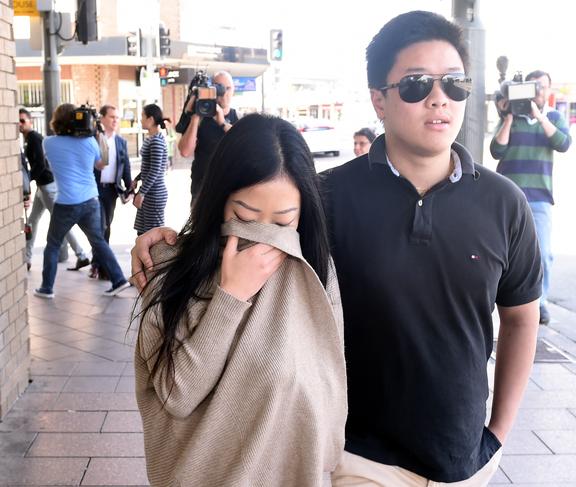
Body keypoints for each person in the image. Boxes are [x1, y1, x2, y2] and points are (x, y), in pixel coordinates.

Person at [132, 11, 542, 486]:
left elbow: (520, 317)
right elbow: (245, 230)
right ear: (379, 100)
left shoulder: (505, 203)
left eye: (454, 84)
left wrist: (497, 434)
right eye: (415, 84)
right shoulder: (323, 200)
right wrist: (163, 245)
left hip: (466, 461)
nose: (438, 99)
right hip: (358, 461)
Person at [133, 113, 346, 486]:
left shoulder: (312, 271)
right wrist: (230, 296)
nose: (264, 236)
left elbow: (326, 383)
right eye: (244, 216)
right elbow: (177, 395)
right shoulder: (170, 266)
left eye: (282, 223)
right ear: (219, 200)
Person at [490, 70, 572, 325]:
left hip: (539, 196)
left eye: (542, 87)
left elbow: (563, 143)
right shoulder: (510, 118)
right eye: (533, 86)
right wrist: (509, 116)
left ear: (547, 90)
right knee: (501, 252)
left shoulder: (554, 117)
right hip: (507, 195)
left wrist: (537, 113)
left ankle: (541, 302)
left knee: (543, 252)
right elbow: (496, 150)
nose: (538, 91)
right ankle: (502, 298)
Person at [33, 103, 130, 299]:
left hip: (66, 203)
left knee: (52, 244)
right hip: (90, 201)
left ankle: (47, 288)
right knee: (98, 242)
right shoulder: (90, 142)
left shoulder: (48, 143)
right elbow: (102, 165)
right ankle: (119, 280)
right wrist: (99, 136)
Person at [20, 108, 90, 272]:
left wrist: (27, 182)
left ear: (30, 121)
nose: (19, 124)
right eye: (18, 121)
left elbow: (40, 165)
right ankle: (27, 259)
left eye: (23, 120)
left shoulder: (34, 138)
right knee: (32, 221)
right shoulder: (28, 138)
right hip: (42, 187)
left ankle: (82, 255)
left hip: (48, 187)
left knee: (61, 223)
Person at [176, 70, 239, 201]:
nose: (224, 93)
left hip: (230, 189)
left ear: (233, 90)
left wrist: (222, 123)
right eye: (219, 88)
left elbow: (244, 143)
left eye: (228, 88)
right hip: (202, 189)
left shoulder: (238, 118)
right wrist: (195, 118)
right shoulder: (200, 117)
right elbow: (185, 151)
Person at [89, 104, 133, 279]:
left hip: (111, 191)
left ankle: (97, 263)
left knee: (106, 227)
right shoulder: (93, 139)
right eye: (112, 117)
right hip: (94, 188)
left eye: (117, 117)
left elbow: (126, 167)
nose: (115, 120)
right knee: (101, 226)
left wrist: (129, 188)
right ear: (102, 119)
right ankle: (101, 266)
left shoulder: (120, 142)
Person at [133, 104, 168, 235]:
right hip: (149, 193)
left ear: (151, 119)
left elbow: (155, 170)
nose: (140, 119)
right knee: (142, 233)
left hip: (154, 194)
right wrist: (137, 179)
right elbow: (148, 168)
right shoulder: (152, 139)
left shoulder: (157, 141)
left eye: (142, 116)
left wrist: (141, 193)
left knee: (153, 236)